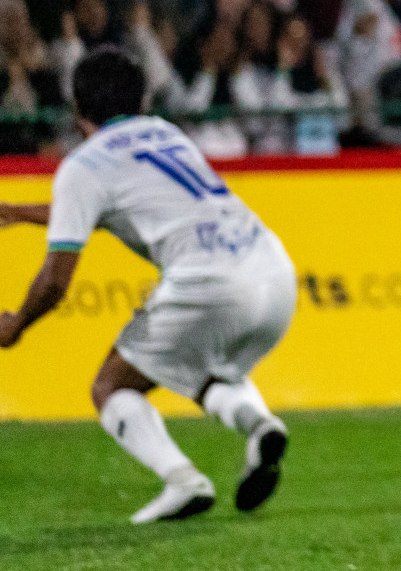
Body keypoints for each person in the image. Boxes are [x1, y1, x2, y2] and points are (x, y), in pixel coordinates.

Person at [0, 46, 295, 523]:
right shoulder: (164, 133)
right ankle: (261, 428)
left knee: (111, 385)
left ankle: (183, 481)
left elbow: (56, 281)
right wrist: (19, 213)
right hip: (274, 271)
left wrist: (17, 325)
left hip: (207, 283)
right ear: (140, 99)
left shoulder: (83, 165)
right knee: (204, 369)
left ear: (77, 110)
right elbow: (112, 204)